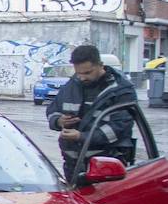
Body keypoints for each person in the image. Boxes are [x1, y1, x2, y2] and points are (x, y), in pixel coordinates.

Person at [46, 44, 137, 182]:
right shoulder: (72, 85)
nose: (82, 78)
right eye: (79, 73)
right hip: (73, 166)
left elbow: (119, 128)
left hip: (107, 168)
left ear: (100, 65)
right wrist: (59, 121)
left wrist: (81, 136)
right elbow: (53, 110)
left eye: (87, 73)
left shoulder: (121, 91)